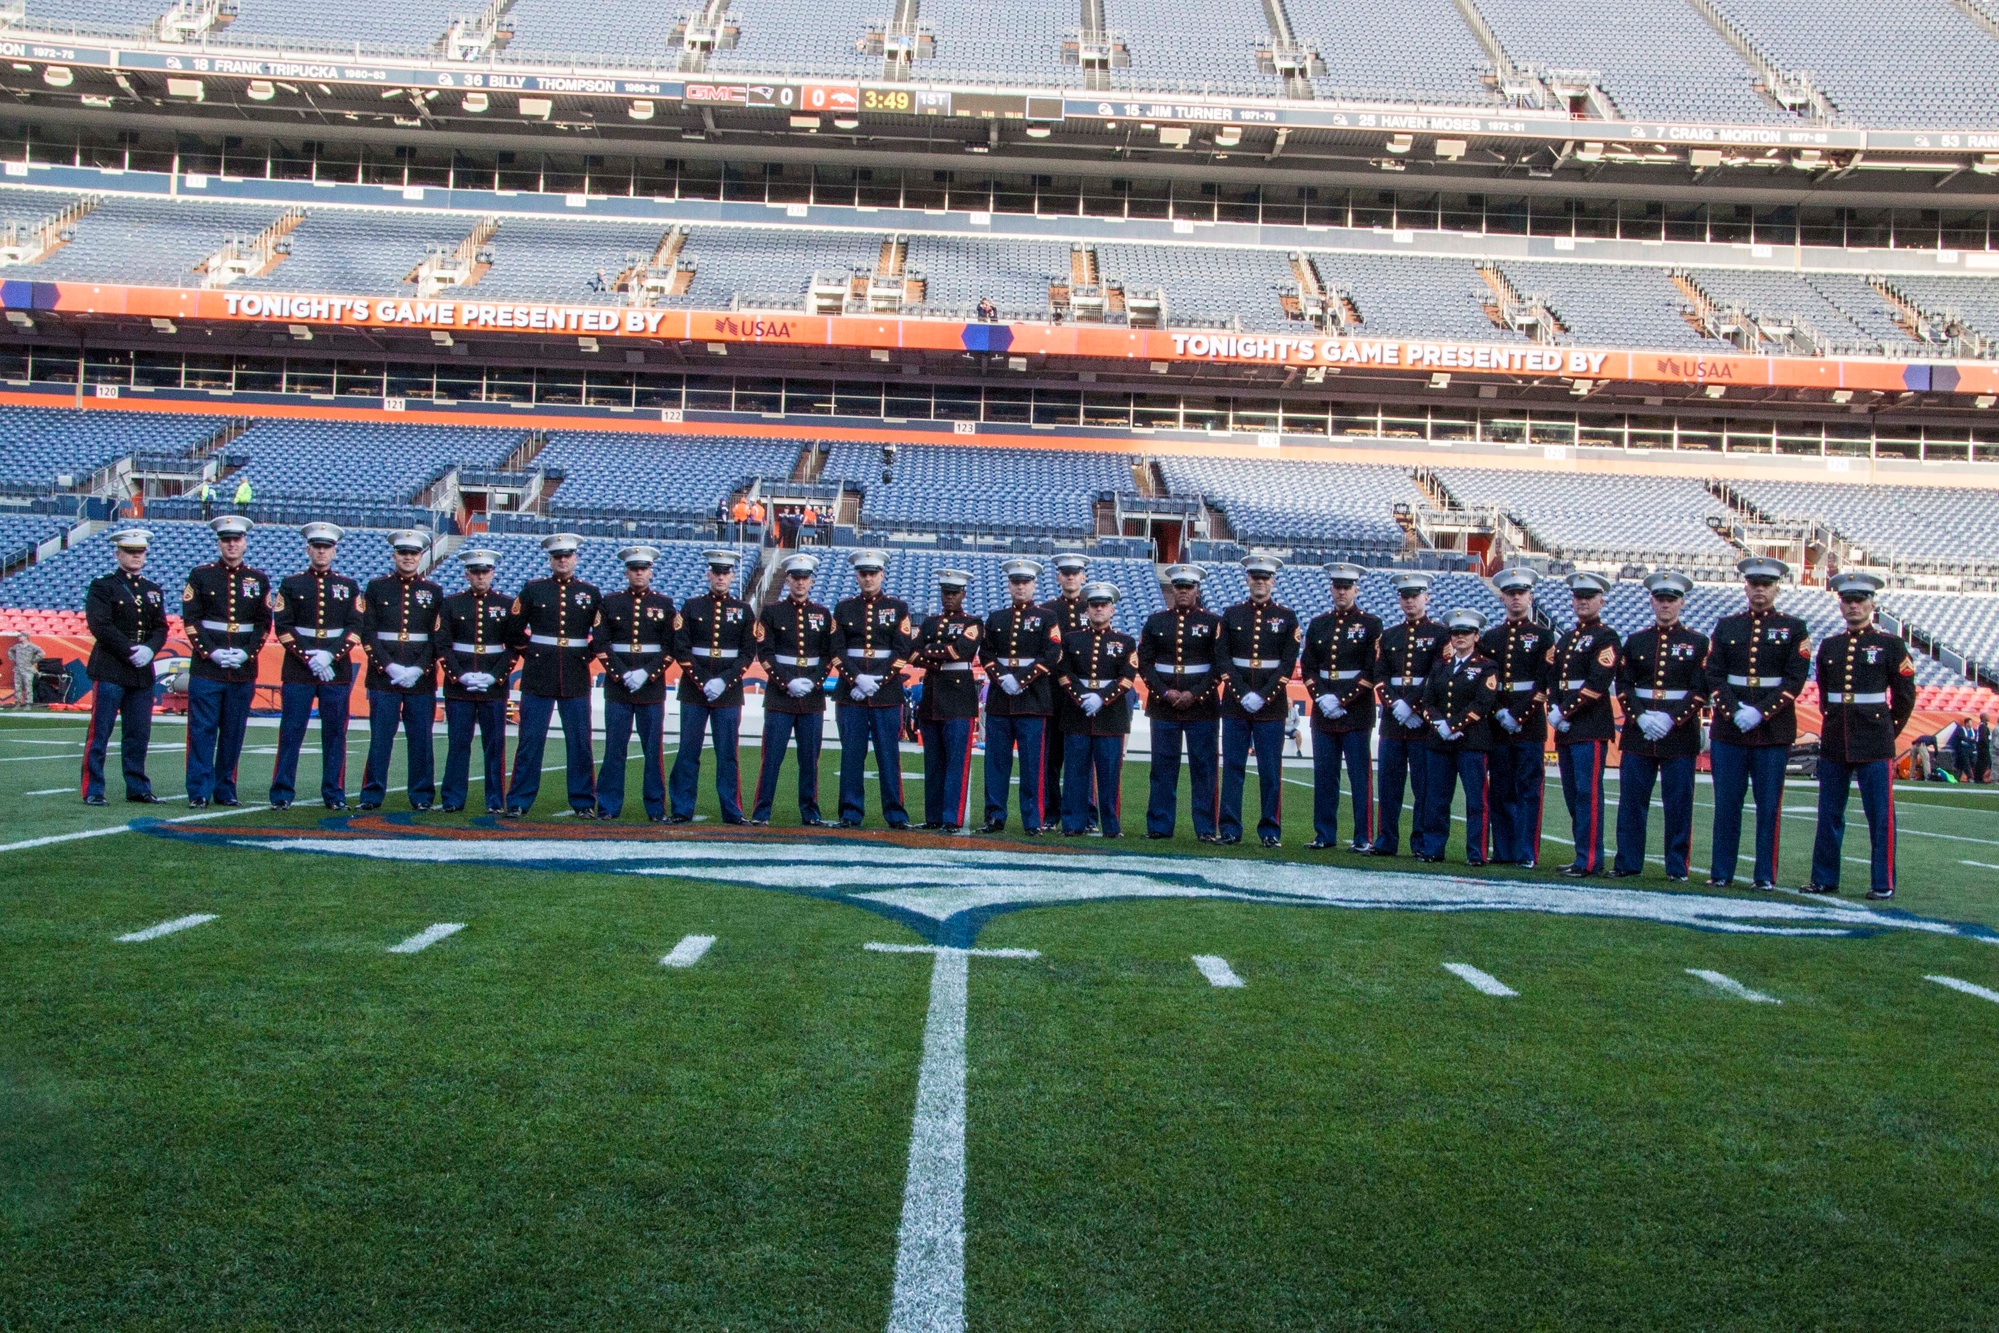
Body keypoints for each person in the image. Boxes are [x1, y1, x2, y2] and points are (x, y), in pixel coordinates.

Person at [1808, 572, 1917, 899]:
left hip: (1874, 741)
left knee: (1881, 817)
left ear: (1873, 604)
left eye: (1860, 600)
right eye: (1847, 600)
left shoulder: (1890, 645)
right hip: (1836, 739)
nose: (1853, 606)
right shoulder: (1830, 646)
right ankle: (1824, 878)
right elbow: (1826, 695)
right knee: (1828, 813)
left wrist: (1888, 730)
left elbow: (1904, 696)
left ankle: (1882, 883)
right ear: (1840, 604)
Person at [1705, 556, 1811, 889]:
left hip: (1772, 732)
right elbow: (1714, 674)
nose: (1759, 590)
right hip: (1729, 728)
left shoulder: (1794, 628)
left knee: (1768, 808)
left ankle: (1764, 875)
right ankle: (1721, 872)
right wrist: (1734, 710)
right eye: (1754, 584)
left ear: (1777, 587)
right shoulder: (1727, 626)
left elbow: (1794, 680)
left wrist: (1760, 712)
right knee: (1726, 805)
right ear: (1746, 586)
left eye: (1766, 584)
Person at [1609, 571, 1709, 882]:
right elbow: (1623, 684)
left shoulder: (1697, 642)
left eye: (1671, 599)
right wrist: (1640, 716)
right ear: (1651, 601)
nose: (1665, 605)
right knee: (1631, 801)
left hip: (1679, 733)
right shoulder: (1636, 641)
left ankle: (1677, 866)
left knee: (1678, 802)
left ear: (1682, 602)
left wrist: (1672, 718)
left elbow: (1701, 689)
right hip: (1640, 732)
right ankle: (1627, 861)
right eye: (1660, 599)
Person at [503, 533, 602, 818]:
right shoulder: (533, 590)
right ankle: (520, 801)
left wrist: (586, 654)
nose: (562, 560)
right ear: (550, 559)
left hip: (574, 674)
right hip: (538, 674)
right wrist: (531, 652)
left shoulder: (590, 593)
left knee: (580, 741)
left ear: (575, 558)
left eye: (567, 555)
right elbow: (513, 629)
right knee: (530, 740)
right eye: (557, 556)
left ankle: (583, 802)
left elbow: (602, 632)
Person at [269, 522, 363, 810]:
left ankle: (334, 793)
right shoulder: (292, 583)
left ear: (334, 551)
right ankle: (282, 793)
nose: (322, 552)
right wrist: (310, 657)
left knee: (335, 734)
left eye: (327, 547)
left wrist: (330, 656)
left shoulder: (348, 586)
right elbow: (283, 626)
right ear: (308, 549)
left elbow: (356, 626)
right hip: (300, 669)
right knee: (291, 731)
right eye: (317, 547)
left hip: (336, 671)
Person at [181, 514, 271, 808]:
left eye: (236, 539)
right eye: (226, 540)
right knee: (201, 730)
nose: (231, 544)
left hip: (242, 669)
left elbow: (262, 623)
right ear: (219, 543)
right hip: (208, 666)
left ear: (245, 542)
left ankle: (225, 788)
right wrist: (212, 652)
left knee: (233, 732)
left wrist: (247, 652)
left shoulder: (258, 579)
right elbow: (192, 620)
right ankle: (198, 790)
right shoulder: (201, 575)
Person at [668, 548, 758, 824]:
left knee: (728, 754)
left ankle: (732, 810)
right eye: (716, 572)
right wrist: (702, 680)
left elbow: (747, 652)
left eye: (726, 573)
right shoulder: (692, 607)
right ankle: (682, 809)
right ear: (709, 574)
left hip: (728, 691)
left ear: (732, 576)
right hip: (695, 691)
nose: (721, 577)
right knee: (687, 752)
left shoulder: (743, 611)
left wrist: (723, 681)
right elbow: (681, 648)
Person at [1218, 552, 1301, 848]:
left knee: (1270, 770)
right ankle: (1229, 828)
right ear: (1247, 580)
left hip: (1272, 706)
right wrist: (1242, 694)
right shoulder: (1231, 615)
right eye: (1255, 578)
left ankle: (1270, 830)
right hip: (1235, 704)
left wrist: (1263, 695)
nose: (1260, 583)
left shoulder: (1287, 617)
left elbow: (1287, 663)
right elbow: (1223, 659)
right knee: (1233, 767)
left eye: (1265, 578)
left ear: (1273, 582)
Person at [80, 528, 167, 804]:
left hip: (141, 670)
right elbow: (100, 624)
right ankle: (93, 788)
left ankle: (137, 786)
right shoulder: (103, 586)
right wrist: (130, 650)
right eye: (130, 552)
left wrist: (150, 649)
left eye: (140, 552)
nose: (136, 557)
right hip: (111, 666)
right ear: (118, 553)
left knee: (138, 733)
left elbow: (160, 627)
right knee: (100, 732)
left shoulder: (153, 590)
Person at [357, 529, 442, 811]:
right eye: (403, 553)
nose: (408, 558)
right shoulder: (377, 587)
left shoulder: (434, 592)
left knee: (421, 740)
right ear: (394, 555)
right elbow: (367, 632)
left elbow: (437, 638)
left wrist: (420, 669)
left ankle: (421, 796)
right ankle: (371, 794)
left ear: (421, 556)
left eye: (414, 553)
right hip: (384, 676)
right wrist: (389, 666)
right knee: (380, 738)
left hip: (421, 678)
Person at [1138, 562, 1223, 842]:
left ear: (1197, 589)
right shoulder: (1155, 621)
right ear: (1172, 589)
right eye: (1179, 587)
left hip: (1202, 706)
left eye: (1189, 587)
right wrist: (1164, 692)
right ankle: (1160, 826)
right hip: (1164, 706)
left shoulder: (1213, 623)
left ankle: (1206, 828)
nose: (1184, 591)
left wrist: (1195, 694)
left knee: (1205, 769)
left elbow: (1218, 664)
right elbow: (1146, 664)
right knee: (1162, 769)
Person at [830, 548, 914, 828]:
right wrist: (856, 679)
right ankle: (850, 813)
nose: (868, 578)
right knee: (851, 756)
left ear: (882, 575)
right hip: (850, 694)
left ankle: (895, 814)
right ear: (857, 575)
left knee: (889, 756)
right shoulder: (843, 608)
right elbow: (836, 649)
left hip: (886, 694)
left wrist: (874, 682)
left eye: (873, 573)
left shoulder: (898, 608)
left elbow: (901, 651)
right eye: (863, 573)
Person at [1300, 561, 1381, 852]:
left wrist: (1342, 699)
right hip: (1323, 712)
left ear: (1356, 589)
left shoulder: (1372, 625)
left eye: (1347, 587)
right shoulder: (1319, 624)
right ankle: (1324, 834)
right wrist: (1321, 697)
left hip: (1356, 712)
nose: (1342, 592)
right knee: (1324, 776)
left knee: (1360, 777)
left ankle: (1363, 837)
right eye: (1337, 587)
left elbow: (1371, 669)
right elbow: (1308, 666)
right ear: (1331, 589)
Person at [592, 546, 676, 822]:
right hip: (618, 688)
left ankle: (655, 807)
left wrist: (647, 673)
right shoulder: (610, 603)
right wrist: (620, 673)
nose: (639, 573)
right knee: (614, 748)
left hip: (651, 689)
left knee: (653, 752)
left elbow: (670, 646)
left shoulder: (665, 604)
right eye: (634, 569)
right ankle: (607, 805)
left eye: (643, 569)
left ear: (651, 572)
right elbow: (601, 642)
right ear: (626, 572)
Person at [1547, 571, 1621, 877]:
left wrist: (1563, 711)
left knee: (1587, 794)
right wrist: (1554, 705)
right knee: (1571, 793)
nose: (1583, 602)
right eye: (1578, 597)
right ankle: (1582, 855)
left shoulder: (1606, 637)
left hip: (1589, 725)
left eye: (1589, 597)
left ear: (1601, 600)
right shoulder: (1567, 637)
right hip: (1567, 728)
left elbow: (1597, 684)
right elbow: (1554, 676)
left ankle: (1590, 859)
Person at [979, 557, 1060, 836]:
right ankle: (994, 816)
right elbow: (986, 653)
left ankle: (1032, 819)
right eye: (1016, 582)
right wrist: (1003, 677)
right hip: (1001, 700)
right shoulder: (997, 617)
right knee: (996, 763)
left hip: (1033, 701)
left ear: (1034, 584)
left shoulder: (1048, 617)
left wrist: (1021, 679)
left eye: (1025, 582)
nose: (1020, 587)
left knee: (1032, 765)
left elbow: (1052, 653)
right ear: (1009, 585)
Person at [753, 552, 835, 826]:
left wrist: (814, 681)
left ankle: (810, 812)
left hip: (811, 698)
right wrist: (786, 681)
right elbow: (765, 652)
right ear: (787, 579)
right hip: (779, 696)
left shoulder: (823, 615)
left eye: (805, 578)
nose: (800, 583)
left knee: (810, 760)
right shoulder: (773, 612)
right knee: (771, 758)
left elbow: (828, 655)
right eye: (795, 578)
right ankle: (762, 812)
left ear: (811, 581)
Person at [1371, 571, 1447, 856]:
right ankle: (1386, 841)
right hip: (1393, 722)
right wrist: (1394, 705)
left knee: (1423, 788)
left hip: (1422, 722)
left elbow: (1437, 675)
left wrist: (1413, 705)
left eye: (1415, 596)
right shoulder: (1389, 635)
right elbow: (1380, 675)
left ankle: (1420, 843)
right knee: (1389, 787)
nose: (1410, 602)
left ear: (1426, 598)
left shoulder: (1440, 635)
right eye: (1405, 597)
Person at [1053, 581, 1138, 837]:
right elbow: (1064, 672)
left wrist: (1102, 698)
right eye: (1094, 605)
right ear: (1086, 609)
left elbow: (1127, 676)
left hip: (1111, 715)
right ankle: (1072, 823)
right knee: (1075, 773)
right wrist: (1081, 697)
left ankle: (1111, 826)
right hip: (1077, 714)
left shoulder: (1125, 641)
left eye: (1104, 605)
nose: (1099, 609)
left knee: (1109, 775)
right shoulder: (1071, 639)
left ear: (1112, 610)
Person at [1480, 567, 1552, 868]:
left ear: (1530, 597)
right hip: (1498, 725)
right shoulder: (1491, 637)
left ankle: (1526, 851)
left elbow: (1544, 681)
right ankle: (1504, 849)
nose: (1516, 599)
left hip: (1529, 724)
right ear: (1502, 599)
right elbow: (1485, 680)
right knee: (1501, 789)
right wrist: (1498, 711)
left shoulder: (1542, 636)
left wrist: (1518, 715)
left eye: (1521, 593)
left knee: (1528, 790)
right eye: (1510, 594)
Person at [1414, 609, 1497, 864]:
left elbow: (1483, 703)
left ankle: (1477, 852)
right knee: (1436, 799)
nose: (1460, 637)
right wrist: (1438, 724)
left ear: (1476, 635)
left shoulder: (1486, 666)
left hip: (1472, 741)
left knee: (1476, 800)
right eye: (1455, 633)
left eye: (1466, 633)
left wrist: (1453, 725)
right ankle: (1433, 849)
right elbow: (1427, 701)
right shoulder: (1440, 667)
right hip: (1439, 742)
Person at [437, 547, 516, 814]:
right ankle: (452, 798)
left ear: (492, 573)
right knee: (458, 744)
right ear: (466, 574)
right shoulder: (451, 603)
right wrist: (459, 676)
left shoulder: (507, 604)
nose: (480, 576)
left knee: (494, 746)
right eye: (475, 572)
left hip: (493, 686)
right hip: (460, 687)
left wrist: (495, 676)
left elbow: (513, 646)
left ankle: (495, 800)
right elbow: (443, 644)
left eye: (485, 571)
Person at [911, 568, 982, 833]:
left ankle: (952, 818)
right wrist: (939, 655)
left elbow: (961, 650)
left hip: (958, 698)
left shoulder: (972, 623)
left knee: (956, 762)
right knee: (933, 762)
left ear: (963, 593)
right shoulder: (930, 622)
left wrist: (930, 652)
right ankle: (933, 816)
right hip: (932, 696)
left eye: (954, 592)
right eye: (945, 592)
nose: (949, 597)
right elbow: (911, 653)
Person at [1039, 553, 1095, 831]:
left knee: (1084, 757)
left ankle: (1088, 813)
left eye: (1076, 572)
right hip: (1053, 694)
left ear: (1084, 576)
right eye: (1066, 572)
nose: (1071, 577)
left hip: (1086, 694)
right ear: (1058, 576)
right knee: (1052, 757)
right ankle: (1051, 813)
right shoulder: (1047, 610)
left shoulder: (1095, 605)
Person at [8, 630, 43, 709]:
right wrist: (14, 660)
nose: (19, 638)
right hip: (18, 669)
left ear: (25, 637)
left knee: (28, 687)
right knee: (17, 687)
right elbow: (10, 651)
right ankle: (17, 702)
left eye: (21, 636)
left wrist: (33, 660)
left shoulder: (32, 646)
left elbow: (41, 653)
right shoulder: (17, 646)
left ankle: (28, 703)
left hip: (28, 669)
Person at [1952, 716, 1977, 783]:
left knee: (1973, 763)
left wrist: (1970, 740)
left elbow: (1975, 739)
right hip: (1963, 749)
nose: (1971, 724)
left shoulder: (1973, 731)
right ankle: (1970, 777)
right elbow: (1962, 738)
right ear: (1966, 723)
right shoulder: (1961, 730)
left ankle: (1975, 777)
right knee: (1966, 764)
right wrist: (1970, 739)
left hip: (1971, 749)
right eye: (1970, 722)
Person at [1980, 714, 1994, 784]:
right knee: (1984, 763)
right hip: (1984, 748)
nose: (1989, 717)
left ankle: (1982, 777)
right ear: (1983, 718)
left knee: (1984, 763)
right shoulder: (1983, 726)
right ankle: (1982, 778)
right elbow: (1983, 738)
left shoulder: (1983, 726)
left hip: (1983, 747)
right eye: (1987, 716)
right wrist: (1987, 744)